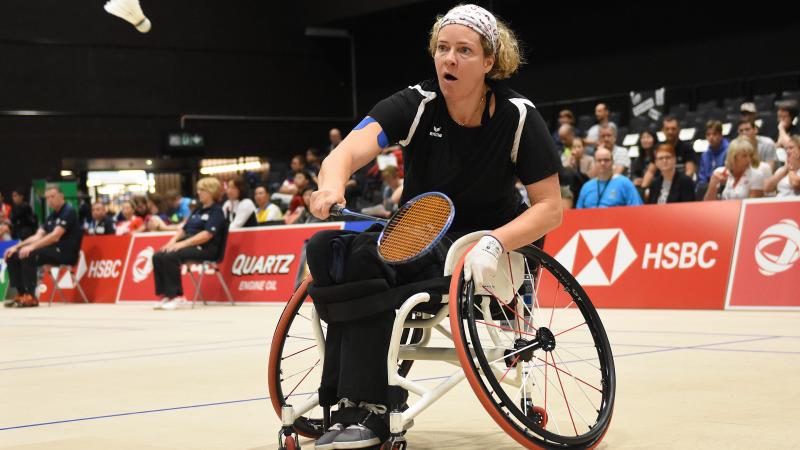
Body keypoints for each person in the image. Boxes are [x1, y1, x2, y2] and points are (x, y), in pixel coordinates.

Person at [305, 5, 562, 449]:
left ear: (489, 62)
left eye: (464, 50)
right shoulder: (416, 104)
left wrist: (495, 243)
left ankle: (373, 407)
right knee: (334, 251)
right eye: (443, 49)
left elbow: (550, 208)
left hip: (487, 249)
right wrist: (329, 187)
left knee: (369, 258)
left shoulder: (518, 116)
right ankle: (349, 402)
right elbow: (345, 152)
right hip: (419, 237)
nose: (450, 59)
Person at [152, 177, 226, 311]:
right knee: (158, 255)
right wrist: (171, 243)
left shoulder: (216, 211)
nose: (198, 193)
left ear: (211, 192)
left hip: (206, 248)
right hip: (189, 244)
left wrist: (182, 244)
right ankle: (166, 295)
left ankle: (178, 297)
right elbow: (183, 229)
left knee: (170, 256)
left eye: (202, 190)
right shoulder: (197, 210)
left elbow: (207, 234)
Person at [3, 185, 82, 308]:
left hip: (66, 253)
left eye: (53, 196)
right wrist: (17, 247)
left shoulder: (68, 211)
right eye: (48, 197)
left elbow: (55, 236)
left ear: (61, 196)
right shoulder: (51, 216)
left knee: (30, 254)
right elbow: (37, 236)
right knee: (12, 255)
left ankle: (31, 296)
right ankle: (22, 293)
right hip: (52, 251)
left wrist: (32, 247)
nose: (50, 200)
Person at [576, 147, 642, 208]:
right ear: (594, 163)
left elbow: (637, 210)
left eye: (606, 160)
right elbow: (578, 214)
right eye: (599, 160)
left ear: (613, 162)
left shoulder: (625, 183)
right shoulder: (586, 187)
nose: (602, 163)